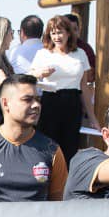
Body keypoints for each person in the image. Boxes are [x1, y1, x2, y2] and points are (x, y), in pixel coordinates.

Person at [0, 75, 68, 203]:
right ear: (5, 103)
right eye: (27, 99)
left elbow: (58, 204)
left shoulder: (52, 150)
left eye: (37, 99)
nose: (36, 105)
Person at [28, 13, 94, 160]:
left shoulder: (80, 53)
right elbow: (28, 77)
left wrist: (92, 117)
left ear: (68, 34)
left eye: (60, 32)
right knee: (47, 148)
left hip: (72, 102)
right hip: (50, 101)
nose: (57, 37)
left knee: (69, 148)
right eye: (53, 33)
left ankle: (67, 181)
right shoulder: (43, 53)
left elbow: (84, 87)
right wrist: (39, 72)